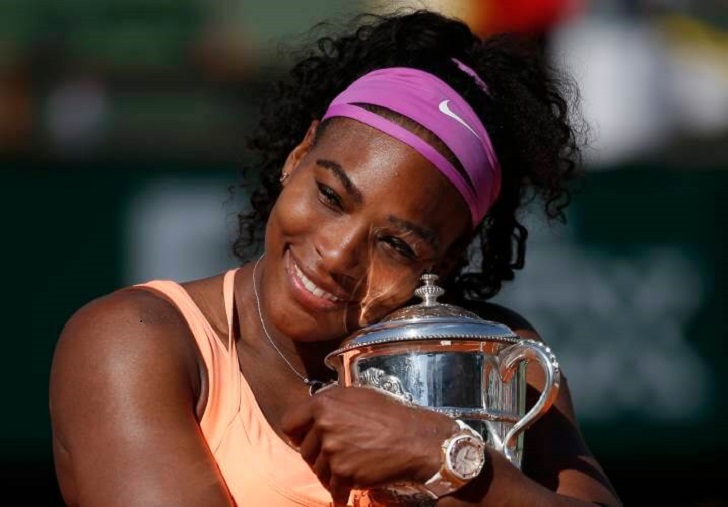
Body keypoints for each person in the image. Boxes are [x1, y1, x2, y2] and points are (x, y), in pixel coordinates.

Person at [49, 9, 622, 507]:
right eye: (330, 196)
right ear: (298, 155)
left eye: (397, 244)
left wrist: (440, 456)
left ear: (443, 264)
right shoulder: (132, 342)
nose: (337, 255)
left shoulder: (496, 352)